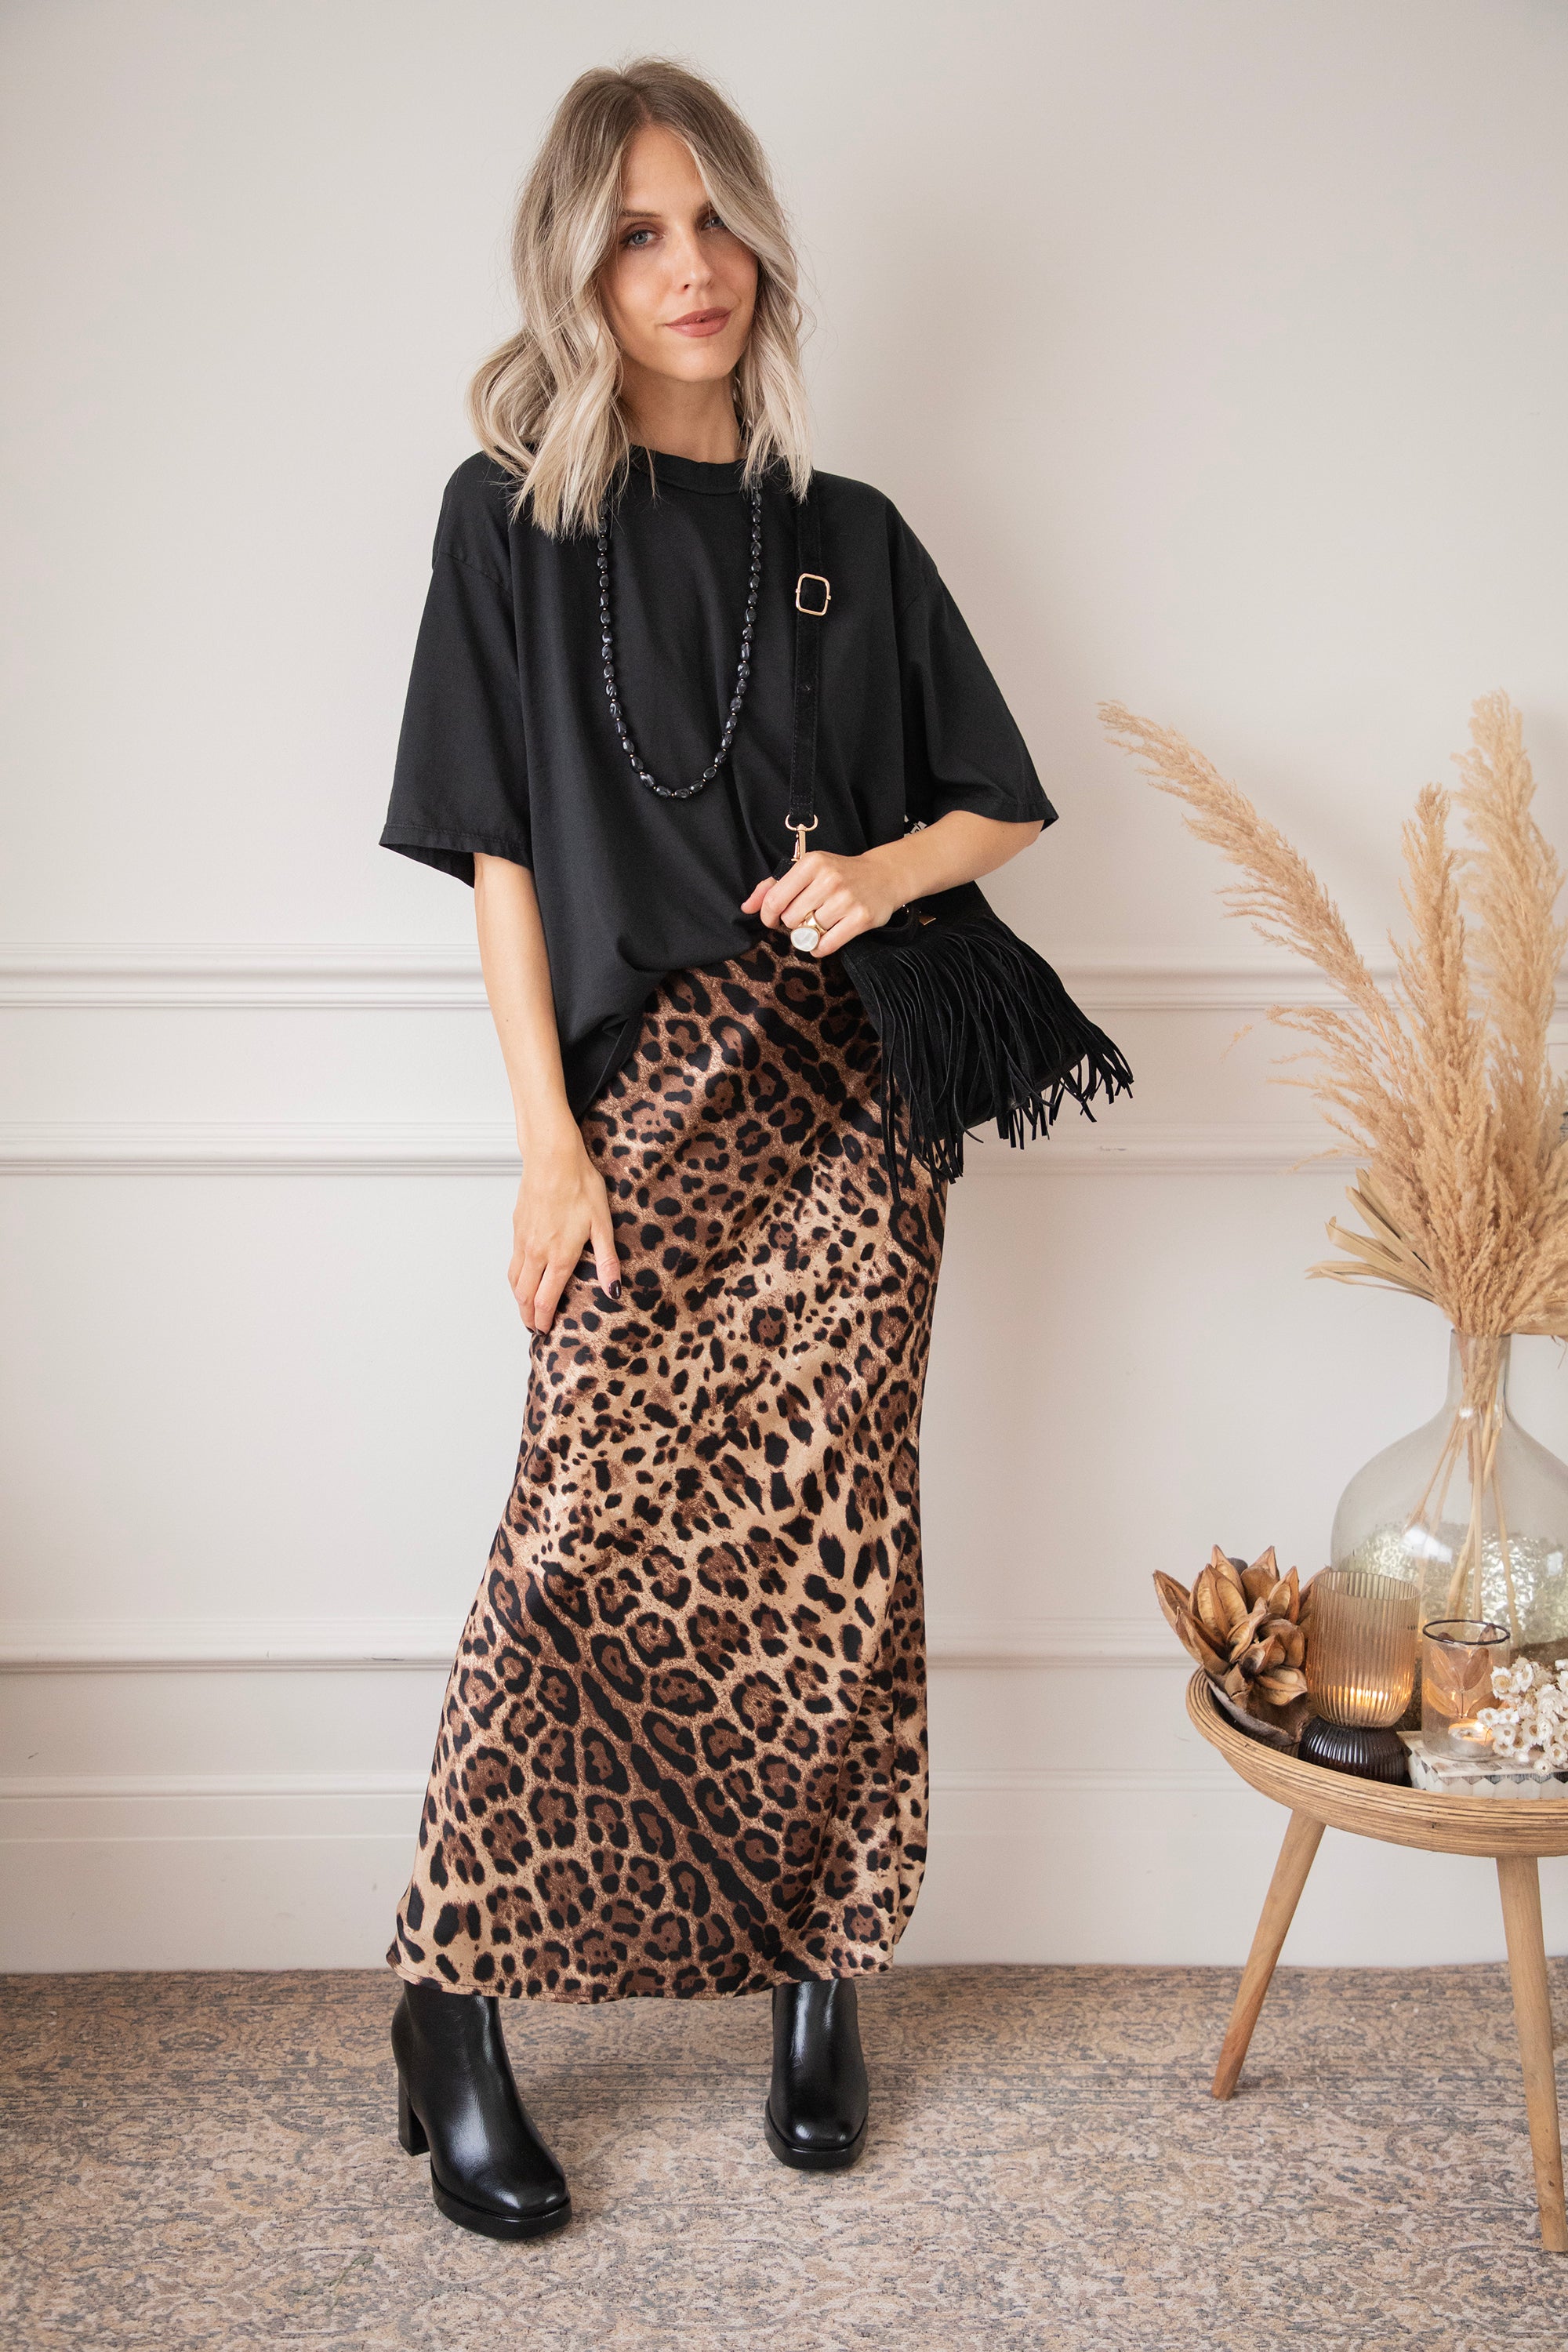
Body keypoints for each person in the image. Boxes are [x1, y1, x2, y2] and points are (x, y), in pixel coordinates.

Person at [379, 55, 1054, 2241]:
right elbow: (496, 850)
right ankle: (453, 2000)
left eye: (713, 221)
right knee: (574, 1547)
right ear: (580, 270)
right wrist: (547, 1147)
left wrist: (878, 871)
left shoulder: (851, 535)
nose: (689, 269)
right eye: (639, 234)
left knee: (841, 1544)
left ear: (759, 241)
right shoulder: (510, 521)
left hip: (853, 1107)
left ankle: (818, 1972)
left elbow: (1001, 803)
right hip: (647, 1094)